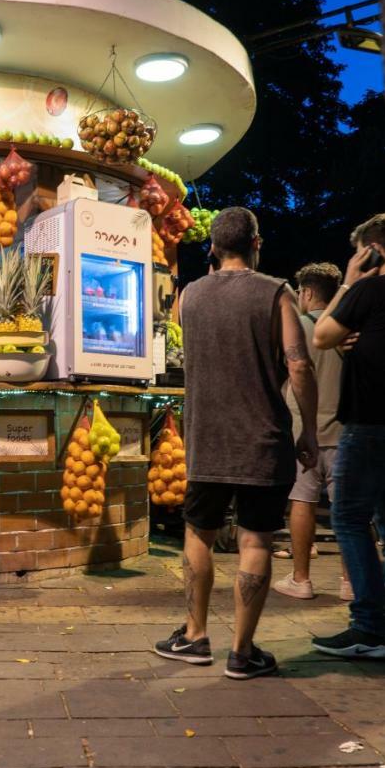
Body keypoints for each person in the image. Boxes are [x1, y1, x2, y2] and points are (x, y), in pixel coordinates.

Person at [153, 207, 319, 680]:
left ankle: (194, 634)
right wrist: (306, 429)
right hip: (262, 441)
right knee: (255, 538)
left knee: (198, 532)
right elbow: (300, 367)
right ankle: (242, 653)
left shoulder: (189, 296)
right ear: (257, 243)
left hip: (206, 438)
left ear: (212, 248)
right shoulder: (277, 294)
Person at [311, 212, 385, 659]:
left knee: (348, 518)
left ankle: (367, 626)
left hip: (372, 424)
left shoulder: (371, 288)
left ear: (373, 251)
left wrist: (347, 280)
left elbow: (322, 334)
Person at [272, 262, 351, 601]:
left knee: (301, 500)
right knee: (346, 509)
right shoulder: (348, 329)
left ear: (305, 292)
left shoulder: (298, 326)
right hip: (345, 430)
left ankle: (301, 578)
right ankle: (351, 580)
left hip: (304, 430)